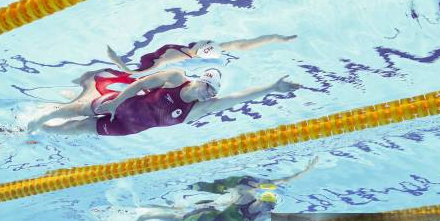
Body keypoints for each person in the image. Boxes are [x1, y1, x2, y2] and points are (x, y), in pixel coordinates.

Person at [26, 68, 300, 136]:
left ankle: (43, 132)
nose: (210, 95)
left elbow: (237, 99)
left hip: (130, 128)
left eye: (213, 93)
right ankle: (37, 120)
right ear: (200, 80)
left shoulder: (200, 108)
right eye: (208, 88)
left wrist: (271, 88)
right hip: (120, 104)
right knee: (76, 109)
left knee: (78, 129)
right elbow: (142, 84)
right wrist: (114, 102)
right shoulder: (175, 77)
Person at [134, 157, 319, 221]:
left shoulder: (264, 217)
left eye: (270, 208)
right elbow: (279, 182)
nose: (267, 209)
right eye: (267, 205)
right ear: (262, 200)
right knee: (179, 219)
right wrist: (303, 172)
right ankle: (147, 214)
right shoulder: (247, 197)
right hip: (210, 215)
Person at [107, 34, 297, 73]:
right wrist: (276, 38)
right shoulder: (204, 50)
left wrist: (116, 60)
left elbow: (136, 73)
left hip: (149, 61)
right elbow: (242, 45)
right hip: (159, 56)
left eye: (206, 42)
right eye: (208, 41)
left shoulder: (177, 55)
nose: (205, 39)